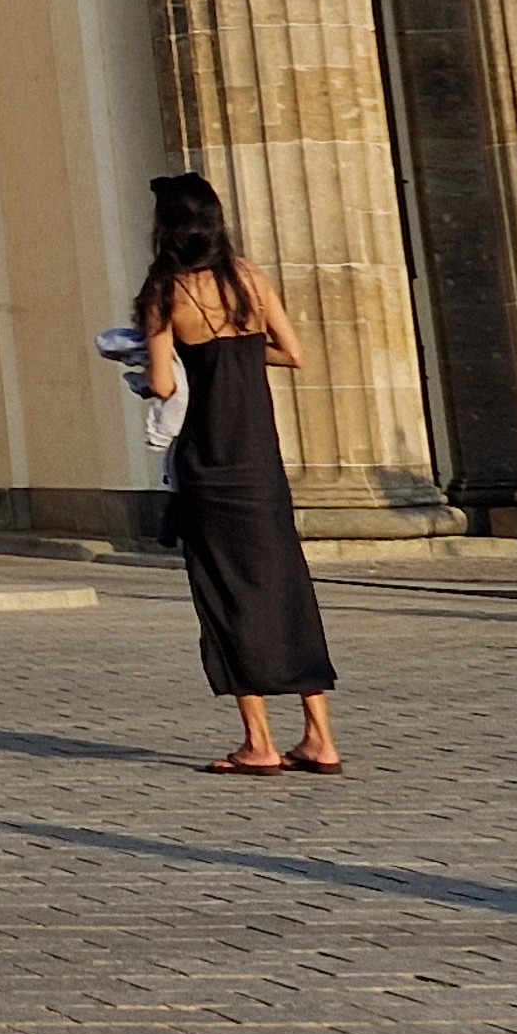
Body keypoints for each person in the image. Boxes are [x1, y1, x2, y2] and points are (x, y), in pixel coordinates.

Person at [134, 172, 339, 776]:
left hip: (208, 460)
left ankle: (260, 742)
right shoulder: (249, 276)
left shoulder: (163, 291)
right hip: (260, 457)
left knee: (225, 592)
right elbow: (294, 353)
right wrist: (244, 351)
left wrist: (152, 367)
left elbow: (164, 383)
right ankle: (320, 736)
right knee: (285, 584)